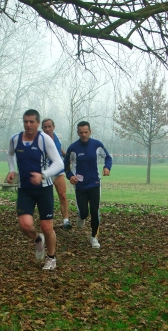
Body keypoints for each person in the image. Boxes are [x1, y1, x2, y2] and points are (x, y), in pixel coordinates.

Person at [7, 109, 64, 270]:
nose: (28, 125)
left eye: (32, 122)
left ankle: (51, 258)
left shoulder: (44, 139)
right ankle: (37, 239)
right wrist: (12, 170)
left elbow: (59, 163)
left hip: (43, 189)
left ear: (38, 123)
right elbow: (10, 155)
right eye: (25, 121)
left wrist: (43, 175)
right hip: (25, 188)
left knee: (47, 227)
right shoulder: (15, 139)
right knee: (25, 225)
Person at [64, 121, 112, 249]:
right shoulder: (73, 148)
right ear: (78, 133)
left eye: (86, 132)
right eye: (81, 132)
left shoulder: (97, 145)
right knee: (84, 212)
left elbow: (108, 157)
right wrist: (70, 176)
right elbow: (66, 166)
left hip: (95, 183)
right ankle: (81, 216)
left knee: (95, 211)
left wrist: (107, 167)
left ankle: (94, 237)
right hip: (80, 185)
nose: (84, 135)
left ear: (90, 132)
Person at [41, 118, 72, 231]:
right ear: (42, 128)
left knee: (63, 195)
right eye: (45, 127)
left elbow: (59, 150)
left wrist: (66, 156)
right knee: (47, 199)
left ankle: (66, 221)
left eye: (50, 126)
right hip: (46, 172)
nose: (48, 129)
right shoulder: (40, 139)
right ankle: (47, 221)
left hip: (58, 171)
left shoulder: (58, 137)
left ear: (54, 127)